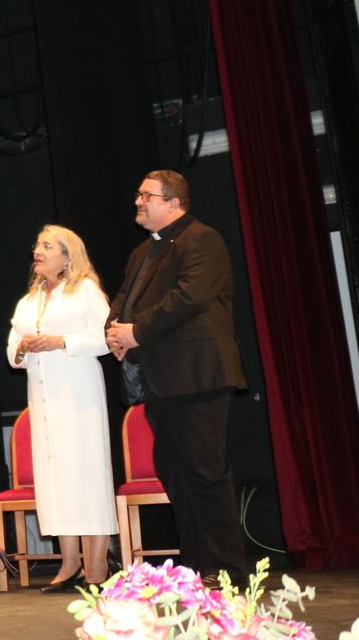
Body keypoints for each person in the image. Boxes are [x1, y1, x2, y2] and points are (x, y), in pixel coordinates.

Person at [105, 170, 246, 579]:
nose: (138, 202)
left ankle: (225, 570)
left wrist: (137, 331)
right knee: (176, 473)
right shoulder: (142, 253)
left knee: (204, 472)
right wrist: (115, 331)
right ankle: (197, 566)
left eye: (146, 195)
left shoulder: (202, 238)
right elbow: (122, 301)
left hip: (199, 374)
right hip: (163, 379)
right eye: (138, 194)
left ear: (173, 202)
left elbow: (190, 297)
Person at [6, 225, 116, 591]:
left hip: (79, 393)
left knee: (86, 473)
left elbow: (105, 336)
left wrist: (60, 341)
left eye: (48, 246)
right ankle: (69, 565)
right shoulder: (30, 299)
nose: (38, 250)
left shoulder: (85, 291)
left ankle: (97, 565)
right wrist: (21, 350)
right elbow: (12, 348)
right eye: (37, 244)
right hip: (42, 395)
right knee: (56, 476)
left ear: (68, 256)